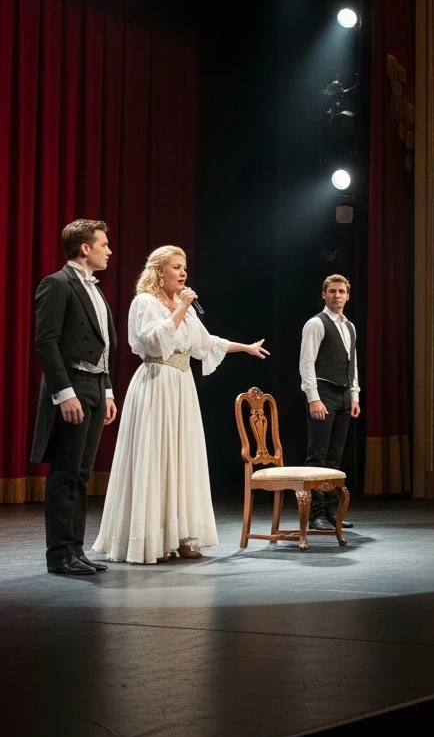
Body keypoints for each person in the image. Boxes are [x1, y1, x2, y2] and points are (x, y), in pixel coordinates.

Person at [91, 246, 268, 564]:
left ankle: (183, 536)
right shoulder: (144, 302)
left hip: (182, 386)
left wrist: (246, 347)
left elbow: (206, 344)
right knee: (156, 458)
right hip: (157, 383)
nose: (183, 272)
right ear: (160, 271)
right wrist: (182, 306)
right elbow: (154, 342)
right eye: (176, 267)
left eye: (185, 266)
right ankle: (153, 540)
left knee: (182, 459)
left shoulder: (181, 306)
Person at [31, 220, 119, 576]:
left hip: (96, 386)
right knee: (66, 473)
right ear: (85, 248)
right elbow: (46, 342)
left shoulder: (95, 288)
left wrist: (108, 389)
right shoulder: (57, 284)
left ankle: (76, 551)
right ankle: (59, 555)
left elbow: (105, 344)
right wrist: (63, 393)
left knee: (81, 474)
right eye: (103, 243)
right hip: (73, 384)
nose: (109, 250)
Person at [299, 274, 361, 532]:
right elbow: (307, 363)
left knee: (335, 457)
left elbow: (352, 364)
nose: (337, 295)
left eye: (342, 291)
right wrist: (313, 398)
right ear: (324, 294)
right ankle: (315, 514)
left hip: (345, 395)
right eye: (332, 291)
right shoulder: (316, 323)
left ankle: (332, 513)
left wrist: (355, 395)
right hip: (323, 392)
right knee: (318, 456)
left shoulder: (350, 326)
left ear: (348, 295)